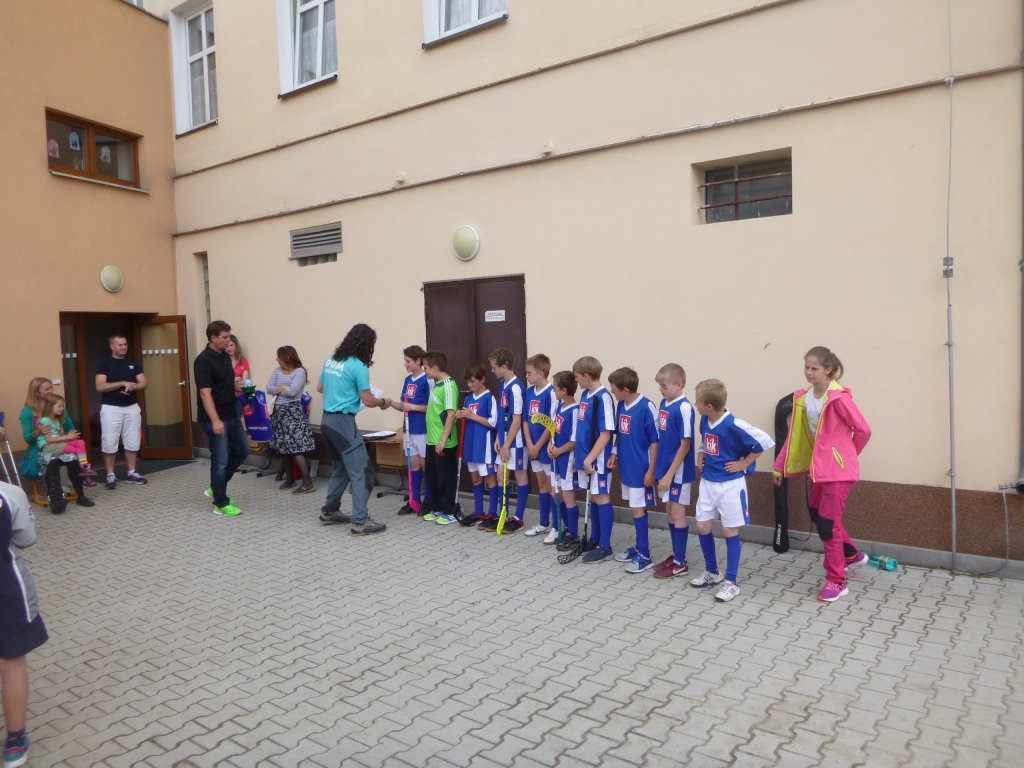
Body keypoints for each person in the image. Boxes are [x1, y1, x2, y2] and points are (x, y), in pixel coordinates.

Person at [773, 346, 873, 602]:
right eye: (806, 367)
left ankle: (837, 581)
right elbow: (793, 437)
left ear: (828, 369)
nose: (808, 372)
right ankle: (851, 554)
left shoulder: (839, 399)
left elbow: (863, 430)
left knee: (828, 525)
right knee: (818, 516)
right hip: (817, 471)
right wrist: (779, 466)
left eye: (814, 368)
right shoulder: (803, 398)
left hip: (837, 473)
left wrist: (844, 457)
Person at [691, 379, 774, 603]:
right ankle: (712, 572)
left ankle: (731, 582)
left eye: (698, 401)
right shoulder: (705, 419)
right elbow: (705, 441)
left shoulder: (734, 424)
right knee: (702, 526)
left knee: (729, 530)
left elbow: (765, 441)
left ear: (709, 405)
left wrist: (745, 462)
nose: (695, 404)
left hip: (730, 486)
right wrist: (701, 455)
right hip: (708, 482)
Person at [317, 323, 387, 535]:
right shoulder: (359, 366)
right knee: (363, 472)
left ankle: (329, 511)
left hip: (326, 422)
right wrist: (382, 402)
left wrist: (341, 392)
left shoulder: (331, 360)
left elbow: (320, 388)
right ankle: (360, 522)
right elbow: (368, 399)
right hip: (343, 424)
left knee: (340, 468)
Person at [0, 482, 48, 768]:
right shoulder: (8, 494)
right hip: (6, 589)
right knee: (12, 663)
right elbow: (26, 538)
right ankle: (15, 741)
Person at [607, 368, 660, 574]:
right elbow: (620, 434)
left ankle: (645, 555)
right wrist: (614, 452)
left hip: (641, 468)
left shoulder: (646, 407)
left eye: (614, 389)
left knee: (638, 509)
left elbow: (655, 441)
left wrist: (651, 470)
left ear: (626, 389)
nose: (612, 392)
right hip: (627, 467)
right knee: (635, 508)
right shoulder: (622, 404)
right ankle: (639, 548)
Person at [195, 320, 250, 517]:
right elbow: (205, 393)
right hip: (214, 418)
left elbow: (226, 384)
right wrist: (215, 420)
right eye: (225, 337)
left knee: (242, 451)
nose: (228, 340)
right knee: (220, 460)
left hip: (232, 413)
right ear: (213, 338)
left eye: (229, 336)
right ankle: (220, 502)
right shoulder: (203, 361)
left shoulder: (225, 356)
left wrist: (241, 387)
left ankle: (216, 487)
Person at [652, 363, 696, 579]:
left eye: (664, 385)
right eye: (660, 385)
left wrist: (670, 474)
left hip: (678, 473)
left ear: (679, 384)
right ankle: (676, 555)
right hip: (665, 469)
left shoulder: (684, 408)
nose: (661, 389)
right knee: (670, 511)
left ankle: (681, 563)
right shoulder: (664, 403)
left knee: (678, 513)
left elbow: (685, 444)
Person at [573, 356, 616, 563]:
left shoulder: (603, 397)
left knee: (601, 497)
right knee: (593, 497)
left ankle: (605, 546)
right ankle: (595, 539)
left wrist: (590, 458)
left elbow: (606, 434)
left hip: (597, 459)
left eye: (577, 376)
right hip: (585, 457)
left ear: (587, 375)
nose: (576, 380)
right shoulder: (585, 394)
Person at [94, 333, 148, 490]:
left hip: (131, 407)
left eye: (125, 344)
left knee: (132, 440)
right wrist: (121, 383)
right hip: (111, 408)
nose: (124, 347)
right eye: (120, 345)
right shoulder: (104, 364)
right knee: (110, 441)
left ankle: (132, 472)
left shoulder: (133, 363)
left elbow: (144, 383)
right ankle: (110, 475)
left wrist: (132, 386)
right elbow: (100, 386)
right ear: (112, 346)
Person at [485, 348, 527, 534]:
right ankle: (504, 513)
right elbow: (504, 415)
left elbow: (516, 420)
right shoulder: (503, 384)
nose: (492, 370)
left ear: (504, 367)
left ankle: (518, 518)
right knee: (501, 474)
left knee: (520, 476)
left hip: (516, 442)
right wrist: (498, 437)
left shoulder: (516, 388)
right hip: (504, 440)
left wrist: (507, 444)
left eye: (494, 367)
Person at [267, 346, 316, 495]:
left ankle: (308, 483)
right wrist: (283, 388)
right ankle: (290, 479)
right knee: (282, 446)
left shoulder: (299, 372)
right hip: (277, 412)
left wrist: (279, 389)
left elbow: (293, 392)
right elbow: (268, 388)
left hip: (292, 412)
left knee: (296, 447)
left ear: (287, 358)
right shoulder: (276, 371)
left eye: (279, 357)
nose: (277, 359)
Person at [388, 346, 431, 515]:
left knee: (425, 465)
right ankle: (414, 501)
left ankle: (428, 501)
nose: (405, 364)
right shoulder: (407, 380)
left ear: (418, 361)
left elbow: (432, 407)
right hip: (408, 429)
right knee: (413, 464)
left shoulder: (427, 379)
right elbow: (403, 405)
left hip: (422, 429)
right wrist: (390, 403)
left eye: (408, 361)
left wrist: (412, 407)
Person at [36, 395, 95, 513]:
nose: (62, 408)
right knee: (75, 451)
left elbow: (60, 436)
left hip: (59, 444)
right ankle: (84, 472)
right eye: (59, 406)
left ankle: (84, 471)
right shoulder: (45, 421)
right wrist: (67, 437)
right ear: (50, 407)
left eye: (63, 406)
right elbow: (49, 439)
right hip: (50, 447)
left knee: (80, 443)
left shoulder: (57, 419)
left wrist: (68, 436)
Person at [456, 363, 497, 527]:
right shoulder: (468, 398)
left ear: (482, 380)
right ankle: (479, 511)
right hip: (470, 443)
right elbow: (468, 417)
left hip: (483, 444)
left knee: (489, 477)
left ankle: (493, 513)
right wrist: (461, 415)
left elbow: (493, 422)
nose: (470, 385)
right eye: (468, 382)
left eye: (473, 381)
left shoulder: (489, 398)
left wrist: (472, 416)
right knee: (475, 477)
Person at [422, 351, 459, 525]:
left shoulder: (449, 385)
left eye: (426, 367)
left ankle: (449, 510)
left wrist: (443, 440)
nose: (424, 371)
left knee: (446, 477)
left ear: (435, 368)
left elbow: (451, 414)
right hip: (431, 439)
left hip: (444, 442)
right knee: (433, 476)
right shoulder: (436, 385)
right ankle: (436, 507)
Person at [523, 354, 556, 538]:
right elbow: (525, 421)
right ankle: (543, 522)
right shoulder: (529, 392)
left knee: (552, 486)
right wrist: (530, 444)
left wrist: (538, 445)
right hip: (533, 447)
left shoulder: (551, 393)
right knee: (541, 484)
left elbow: (551, 424)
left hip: (545, 448)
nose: (527, 376)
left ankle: (557, 526)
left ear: (541, 373)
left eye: (529, 373)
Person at [548, 371, 579, 549]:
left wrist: (559, 450)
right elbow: (554, 429)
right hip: (556, 458)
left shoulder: (574, 411)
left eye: (555, 388)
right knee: (555, 492)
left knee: (568, 496)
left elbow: (574, 441)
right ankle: (564, 527)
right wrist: (550, 445)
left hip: (566, 459)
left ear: (564, 390)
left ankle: (573, 535)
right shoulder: (560, 406)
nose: (553, 391)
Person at [17, 378, 70, 481]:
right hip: (40, 448)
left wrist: (70, 435)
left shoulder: (58, 407)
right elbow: (27, 438)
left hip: (60, 443)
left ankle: (71, 486)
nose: (51, 391)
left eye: (51, 388)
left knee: (73, 457)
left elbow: (69, 427)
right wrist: (38, 432)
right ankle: (57, 488)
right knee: (54, 460)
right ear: (36, 392)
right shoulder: (27, 411)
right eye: (47, 389)